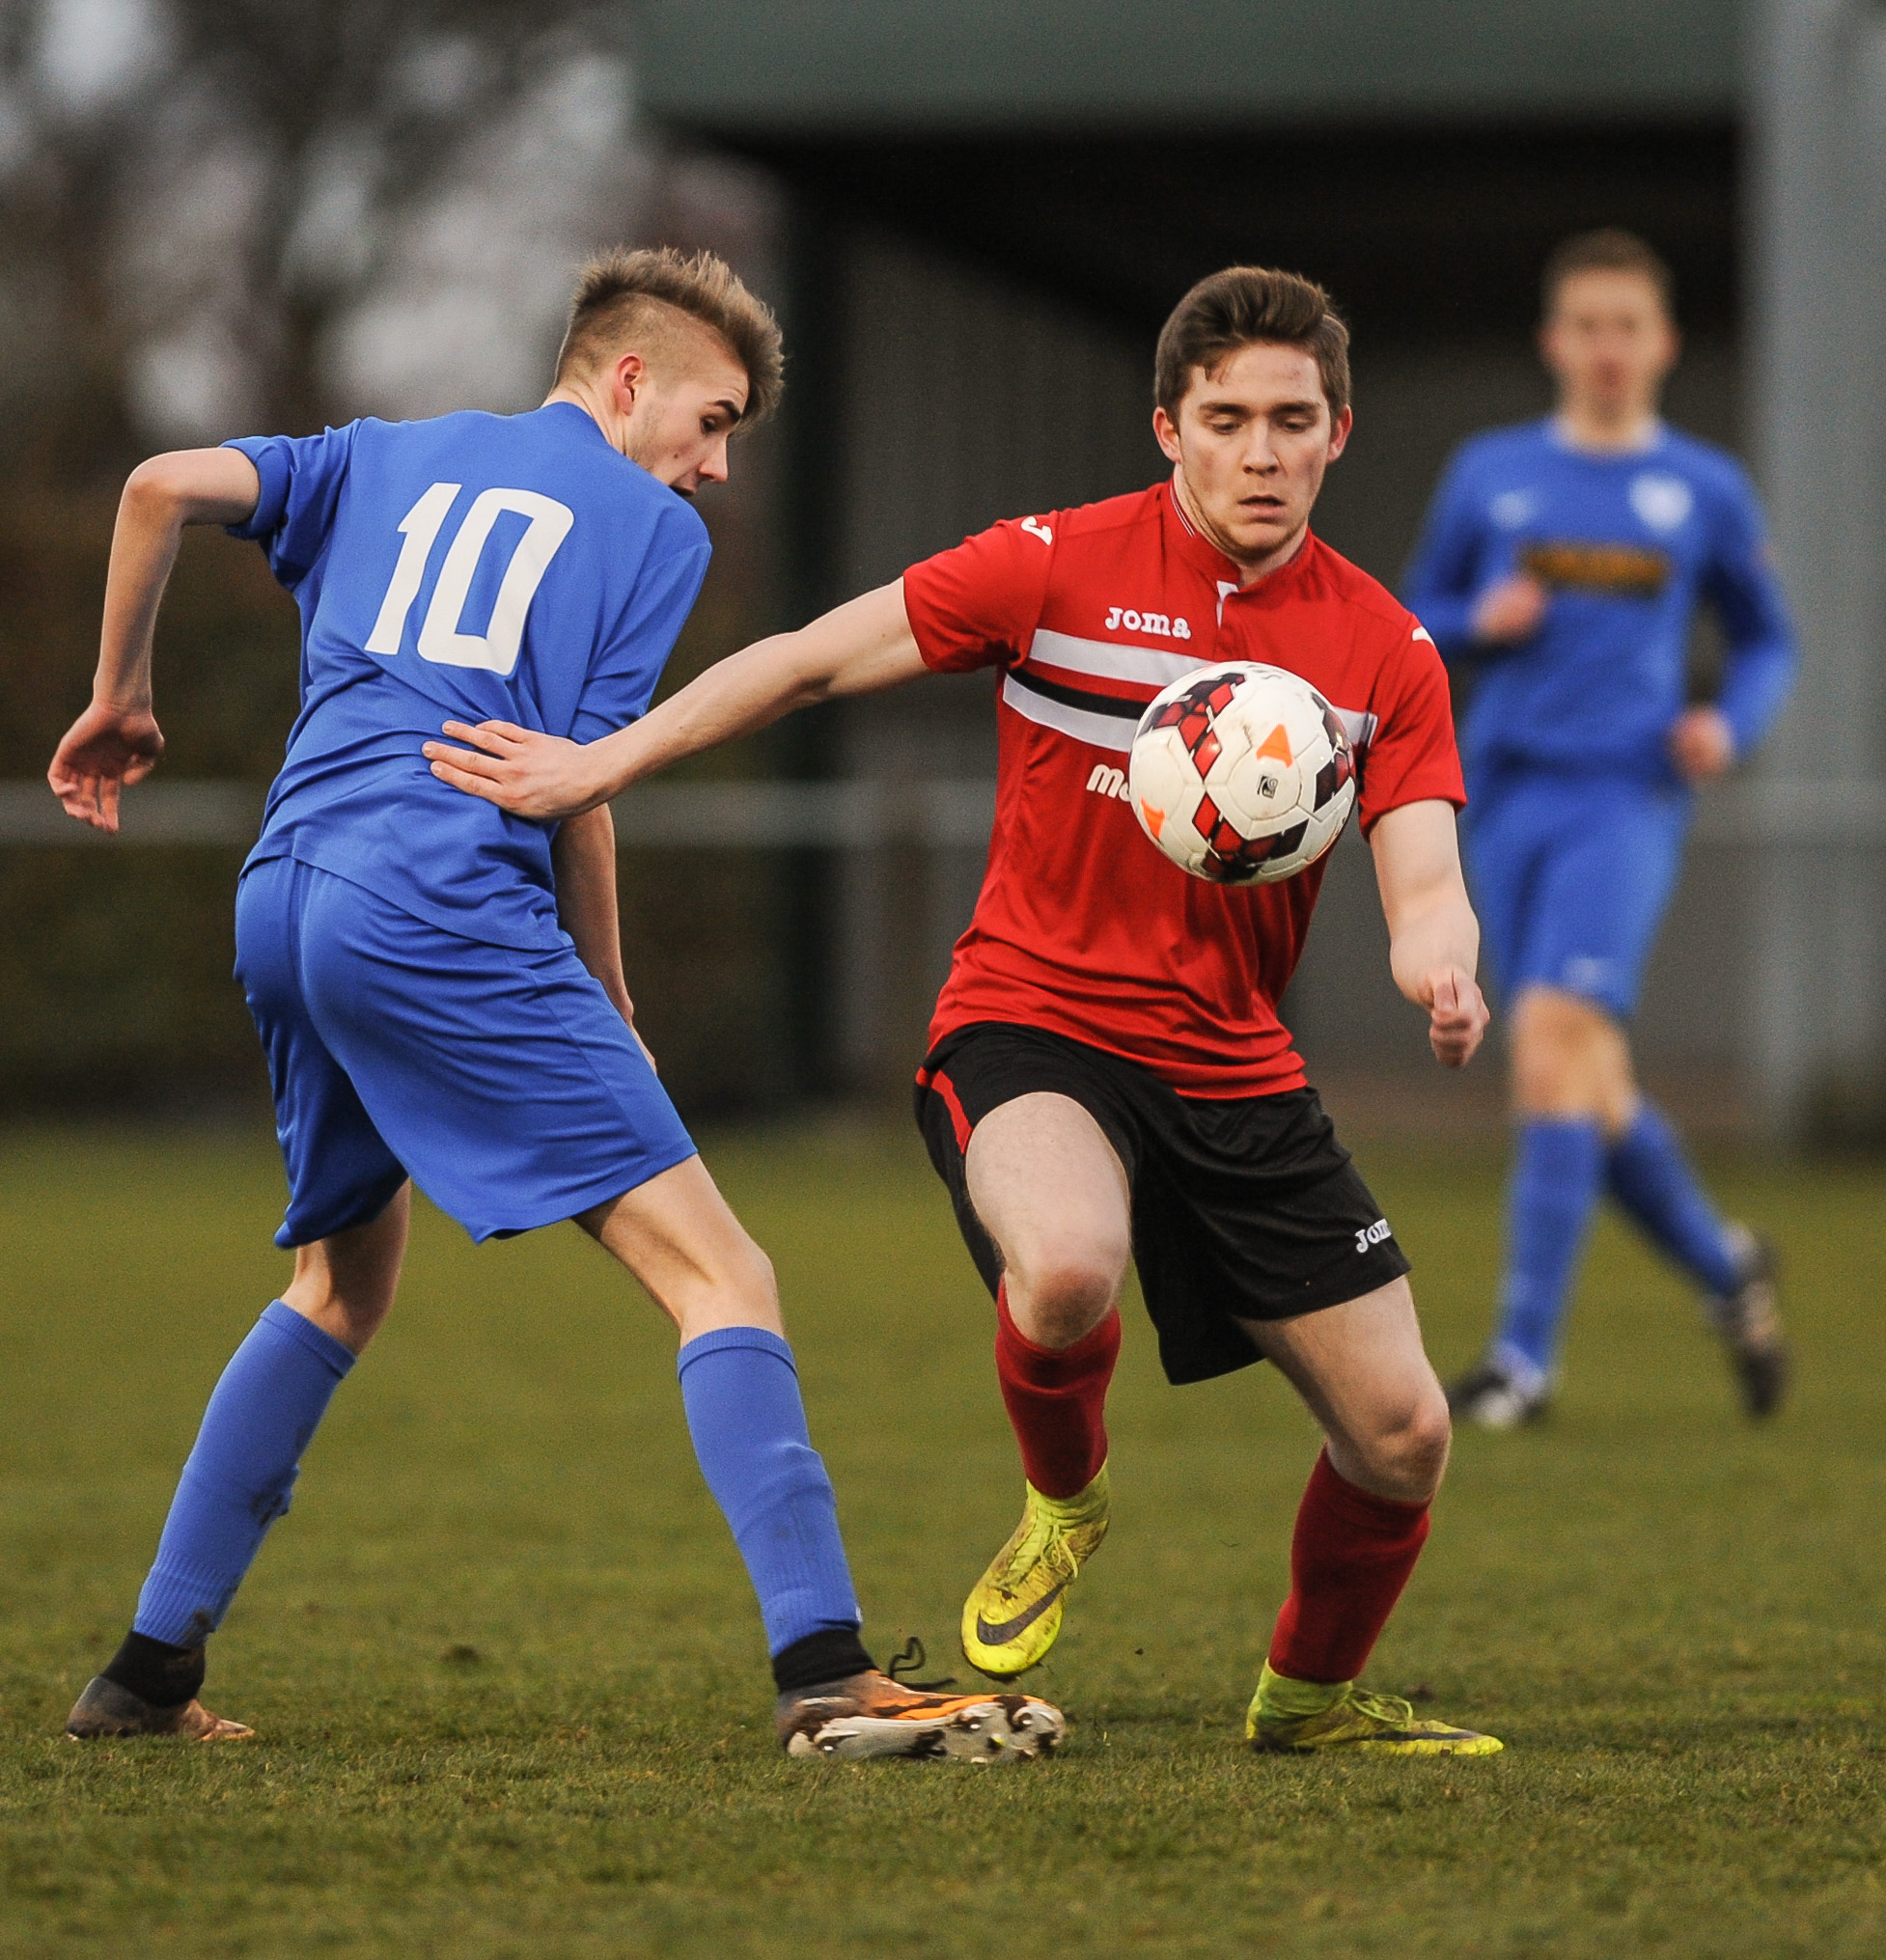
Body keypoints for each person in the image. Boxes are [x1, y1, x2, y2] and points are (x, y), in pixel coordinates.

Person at [427, 266, 1504, 1757]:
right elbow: (804, 660)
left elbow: (1427, 868)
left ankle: (1308, 1699)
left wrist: (1440, 963)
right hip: (1034, 1021)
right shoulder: (1054, 567)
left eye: (1292, 422)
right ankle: (1066, 1495)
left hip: (1239, 1067)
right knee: (1064, 1268)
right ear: (1169, 429)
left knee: (1406, 1435)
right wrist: (593, 766)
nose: (1261, 452)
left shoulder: (1384, 651)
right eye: (1228, 420)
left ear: (1339, 435)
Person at [43, 246, 1065, 1764]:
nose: (715, 468)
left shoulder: (380, 453)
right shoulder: (646, 527)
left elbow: (151, 487)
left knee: (340, 1284)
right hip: (440, 900)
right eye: (712, 422)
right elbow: (577, 785)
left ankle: (142, 1672)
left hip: (285, 888)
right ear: (628, 377)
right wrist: (611, 992)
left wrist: (121, 692)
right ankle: (828, 1665)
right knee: (724, 1272)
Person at [1401, 229, 1798, 1430]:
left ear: (1662, 343)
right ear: (1553, 342)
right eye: (1588, 325)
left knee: (1550, 1042)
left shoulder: (1705, 490)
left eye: (1629, 325)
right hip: (1504, 792)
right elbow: (1413, 613)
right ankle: (1729, 1272)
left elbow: (1768, 636)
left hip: (1623, 796)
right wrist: (1481, 613)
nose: (1609, 348)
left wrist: (1728, 722)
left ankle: (1522, 1363)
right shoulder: (1491, 473)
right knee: (1585, 1078)